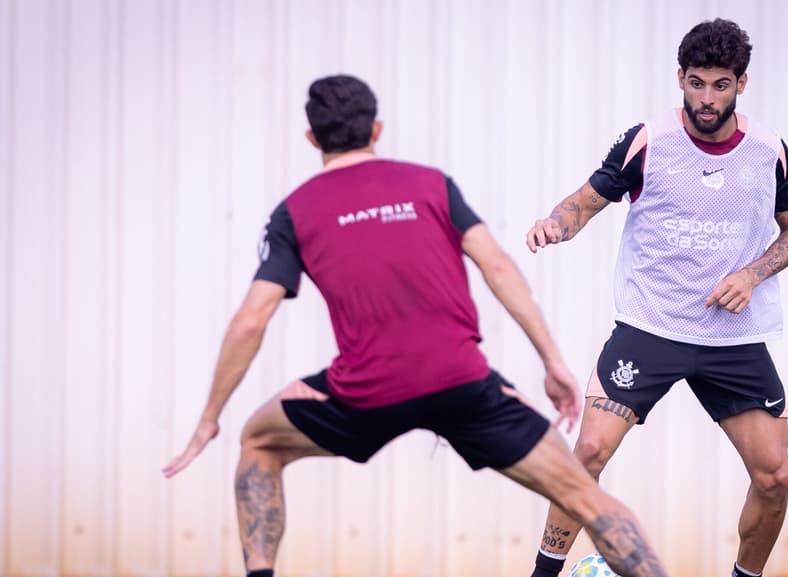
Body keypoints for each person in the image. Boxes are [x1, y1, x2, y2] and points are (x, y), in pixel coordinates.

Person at [163, 74, 668, 577]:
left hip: (364, 392)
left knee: (259, 440)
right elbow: (498, 268)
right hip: (463, 385)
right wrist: (552, 362)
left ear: (312, 139)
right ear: (376, 130)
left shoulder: (294, 212)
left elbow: (251, 320)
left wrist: (210, 416)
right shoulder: (431, 186)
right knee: (583, 494)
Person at [524, 19, 788, 577]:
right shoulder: (648, 141)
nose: (707, 99)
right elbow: (584, 202)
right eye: (697, 83)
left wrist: (752, 274)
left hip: (734, 338)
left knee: (776, 477)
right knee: (586, 457)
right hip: (650, 329)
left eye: (720, 85)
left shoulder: (769, 152)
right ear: (680, 78)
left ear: (741, 84)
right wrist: (554, 225)